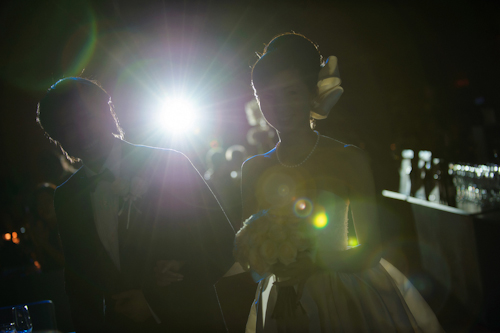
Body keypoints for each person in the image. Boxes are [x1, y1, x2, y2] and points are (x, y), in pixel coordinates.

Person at [238, 33, 443, 332]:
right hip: (281, 302)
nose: (279, 105)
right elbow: (247, 249)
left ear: (311, 92)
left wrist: (313, 264)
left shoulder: (348, 159)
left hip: (345, 297)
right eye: (267, 96)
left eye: (291, 92)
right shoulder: (253, 169)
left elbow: (370, 247)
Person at [36, 77, 235, 332]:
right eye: (66, 127)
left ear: (107, 113)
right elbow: (78, 286)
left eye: (85, 117)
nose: (80, 132)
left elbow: (222, 244)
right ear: (59, 140)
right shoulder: (66, 197)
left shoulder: (167, 163)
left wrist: (154, 302)